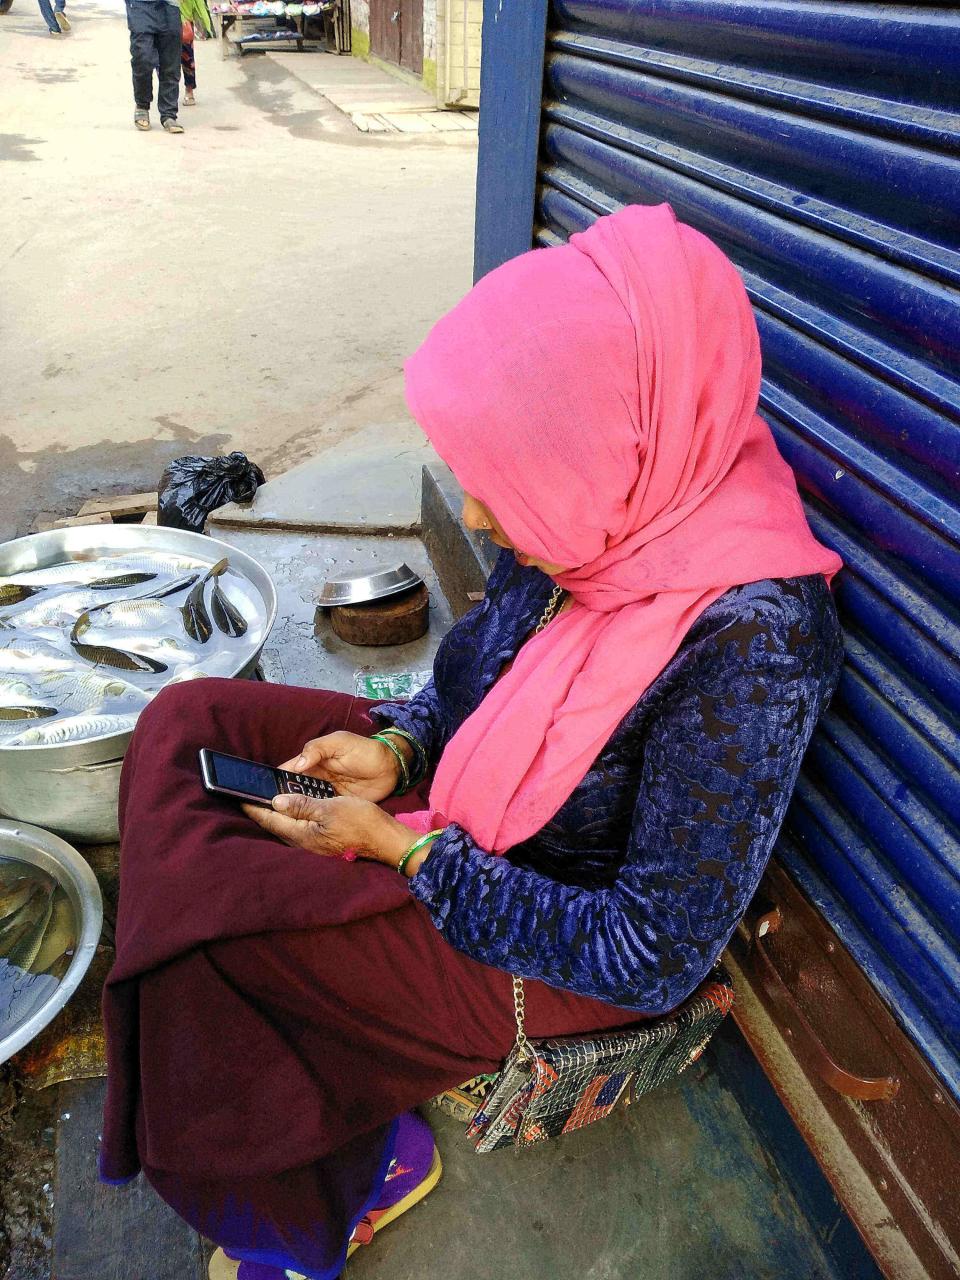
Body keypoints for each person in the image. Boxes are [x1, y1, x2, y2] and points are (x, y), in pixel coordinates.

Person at [100, 204, 844, 1280]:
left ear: (602, 441)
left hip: (555, 934)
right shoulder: (601, 492)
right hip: (471, 796)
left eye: (500, 479)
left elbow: (650, 951)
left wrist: (408, 852)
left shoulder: (758, 642)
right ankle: (317, 1062)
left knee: (214, 942)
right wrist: (401, 754)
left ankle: (328, 1195)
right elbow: (482, 678)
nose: (481, 515)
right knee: (184, 723)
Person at [126, 0, 184, 133]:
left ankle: (168, 114)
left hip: (170, 5)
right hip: (139, 5)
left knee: (170, 62)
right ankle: (142, 105)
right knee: (142, 56)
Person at [179, 0, 212, 106]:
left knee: (187, 56)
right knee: (163, 59)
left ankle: (189, 89)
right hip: (162, 15)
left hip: (185, 14)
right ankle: (167, 93)